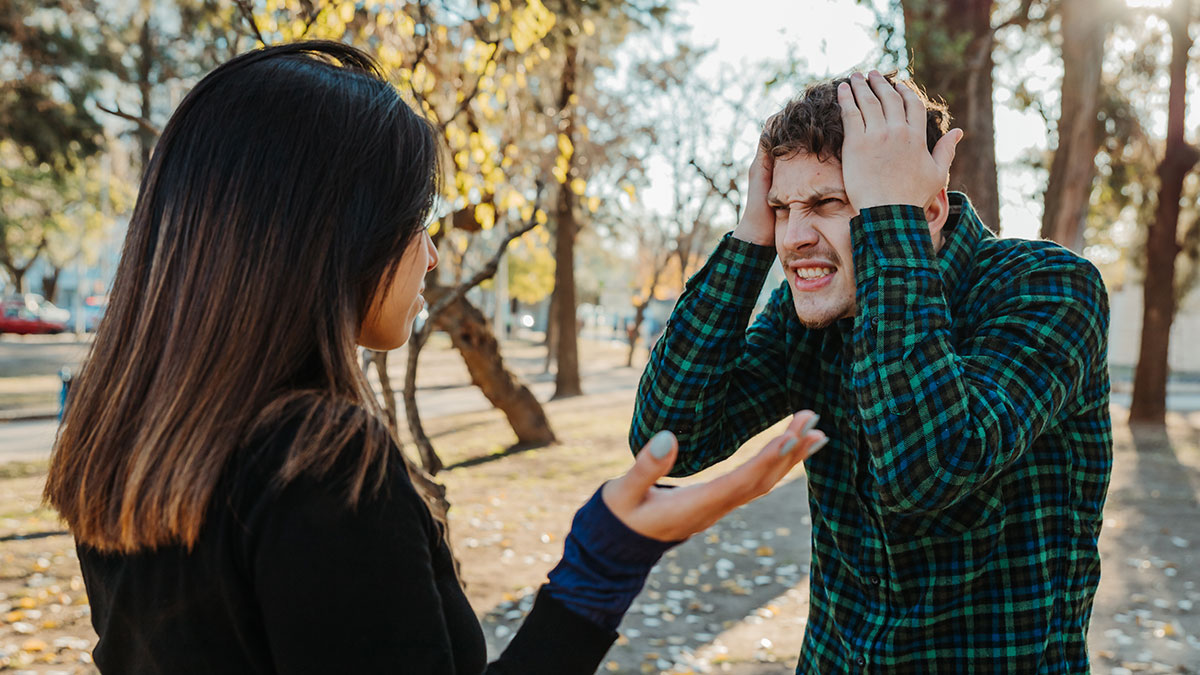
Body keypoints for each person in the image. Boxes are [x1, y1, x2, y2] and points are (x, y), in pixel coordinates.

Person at [42, 41, 829, 674]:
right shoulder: (315, 463)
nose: (431, 253)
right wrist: (606, 561)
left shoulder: (118, 429)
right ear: (330, 239)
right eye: (419, 217)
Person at [631, 70, 1112, 672]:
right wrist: (750, 238)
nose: (796, 238)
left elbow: (927, 470)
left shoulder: (1048, 288)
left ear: (927, 207)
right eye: (783, 209)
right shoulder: (810, 312)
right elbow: (667, 441)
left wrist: (889, 219)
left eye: (829, 203)